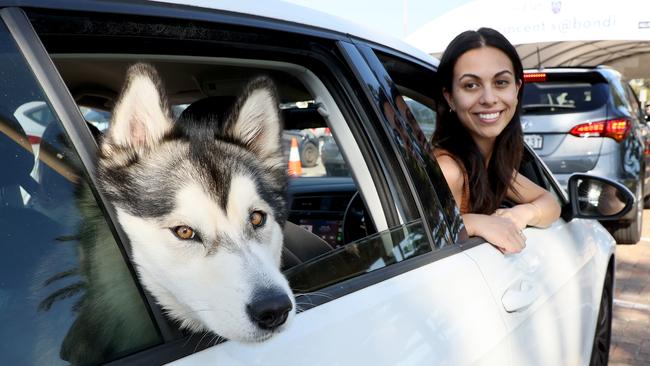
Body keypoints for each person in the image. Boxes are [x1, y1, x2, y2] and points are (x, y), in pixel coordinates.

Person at [431, 27, 561, 254]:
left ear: (517, 89)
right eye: (471, 85)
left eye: (501, 82)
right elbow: (423, 239)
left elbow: (550, 203)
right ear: (449, 97)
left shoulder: (492, 165)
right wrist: (471, 222)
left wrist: (520, 214)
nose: (489, 99)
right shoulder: (450, 169)